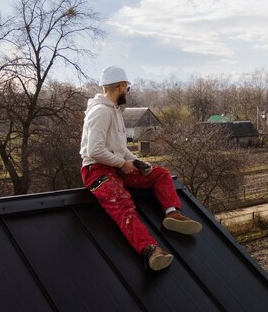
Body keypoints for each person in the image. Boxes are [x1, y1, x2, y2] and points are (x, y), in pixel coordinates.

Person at [80, 65, 202, 271]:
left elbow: (120, 149)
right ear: (120, 86)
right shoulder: (100, 112)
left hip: (116, 167)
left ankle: (172, 213)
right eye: (127, 88)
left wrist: (137, 162)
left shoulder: (114, 111)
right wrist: (122, 163)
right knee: (123, 205)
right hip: (98, 172)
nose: (127, 92)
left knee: (160, 174)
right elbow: (94, 151)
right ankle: (150, 251)